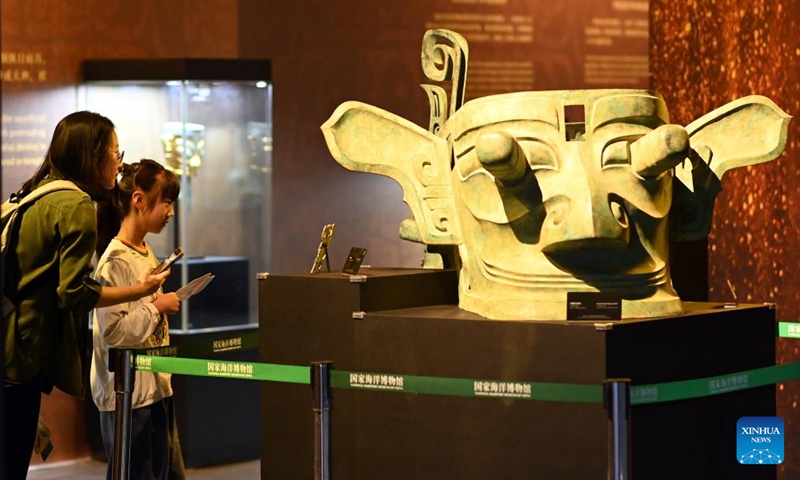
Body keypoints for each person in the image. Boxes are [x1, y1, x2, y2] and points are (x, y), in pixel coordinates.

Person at [2, 111, 170, 480]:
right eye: (113, 151)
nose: (119, 161)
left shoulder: (37, 192)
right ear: (90, 155)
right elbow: (74, 292)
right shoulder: (75, 203)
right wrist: (140, 291)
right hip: (21, 356)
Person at [92, 159, 185, 480]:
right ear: (139, 199)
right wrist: (157, 306)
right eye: (167, 202)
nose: (170, 212)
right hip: (128, 398)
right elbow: (114, 334)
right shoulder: (114, 261)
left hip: (156, 389)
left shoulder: (144, 251)